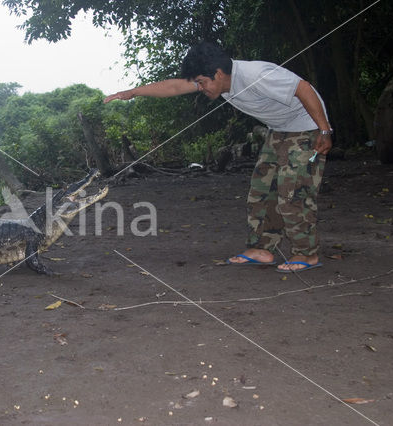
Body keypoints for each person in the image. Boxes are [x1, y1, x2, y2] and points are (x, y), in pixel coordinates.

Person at [104, 41, 332, 273]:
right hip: (279, 129)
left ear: (219, 73)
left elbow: (303, 88)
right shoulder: (216, 78)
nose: (200, 88)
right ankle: (261, 249)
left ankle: (306, 253)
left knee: (293, 191)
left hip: (308, 126)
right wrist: (133, 92)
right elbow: (174, 87)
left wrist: (324, 130)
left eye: (202, 83)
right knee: (262, 191)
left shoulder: (257, 74)